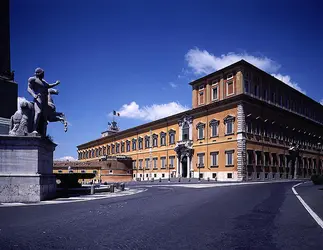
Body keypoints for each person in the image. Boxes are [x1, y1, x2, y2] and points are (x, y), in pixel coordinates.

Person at [27, 68, 60, 135]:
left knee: (44, 116)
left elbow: (49, 86)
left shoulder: (44, 82)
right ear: (38, 73)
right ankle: (34, 129)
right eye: (42, 74)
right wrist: (34, 95)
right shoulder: (33, 79)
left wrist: (56, 83)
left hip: (45, 100)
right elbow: (28, 88)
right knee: (38, 112)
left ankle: (42, 132)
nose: (43, 75)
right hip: (38, 98)